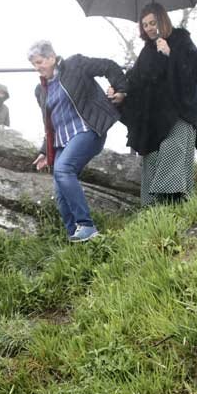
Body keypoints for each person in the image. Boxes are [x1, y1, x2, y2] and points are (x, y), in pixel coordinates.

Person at [108, 3, 197, 205]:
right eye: (145, 24)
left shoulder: (180, 38)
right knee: (153, 156)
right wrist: (120, 92)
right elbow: (135, 80)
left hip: (181, 110)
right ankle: (153, 209)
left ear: (162, 21)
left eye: (152, 22)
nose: (149, 28)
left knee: (174, 147)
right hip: (155, 118)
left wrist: (170, 54)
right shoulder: (146, 52)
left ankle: (173, 200)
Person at [28, 40, 125, 242]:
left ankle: (87, 226)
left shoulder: (75, 65)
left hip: (87, 130)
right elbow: (49, 124)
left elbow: (109, 65)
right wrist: (45, 151)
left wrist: (120, 89)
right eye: (34, 64)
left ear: (52, 58)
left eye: (39, 62)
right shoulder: (41, 90)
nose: (37, 68)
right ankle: (75, 235)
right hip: (63, 142)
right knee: (59, 186)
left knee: (63, 169)